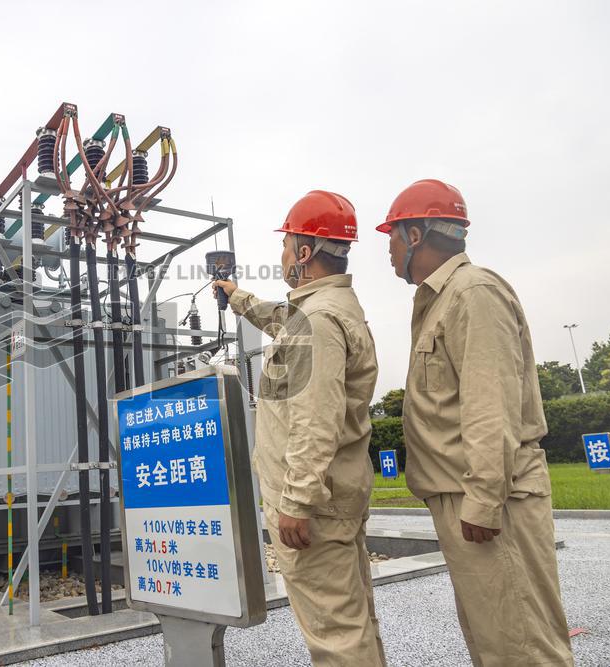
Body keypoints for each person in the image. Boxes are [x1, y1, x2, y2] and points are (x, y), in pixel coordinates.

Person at [377, 179, 574, 666]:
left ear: (417, 236)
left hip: (488, 501)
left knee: (523, 644)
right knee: (496, 640)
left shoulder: (473, 292)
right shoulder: (441, 300)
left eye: (393, 237)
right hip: (463, 495)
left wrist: (484, 501)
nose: (389, 249)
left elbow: (492, 405)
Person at [215, 191, 385, 666]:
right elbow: (282, 321)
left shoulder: (319, 319)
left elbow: (316, 418)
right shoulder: (324, 309)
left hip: (315, 509)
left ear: (305, 252)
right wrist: (238, 298)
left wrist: (296, 501)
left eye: (287, 244)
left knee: (336, 634)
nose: (283, 254)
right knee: (353, 621)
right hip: (333, 498)